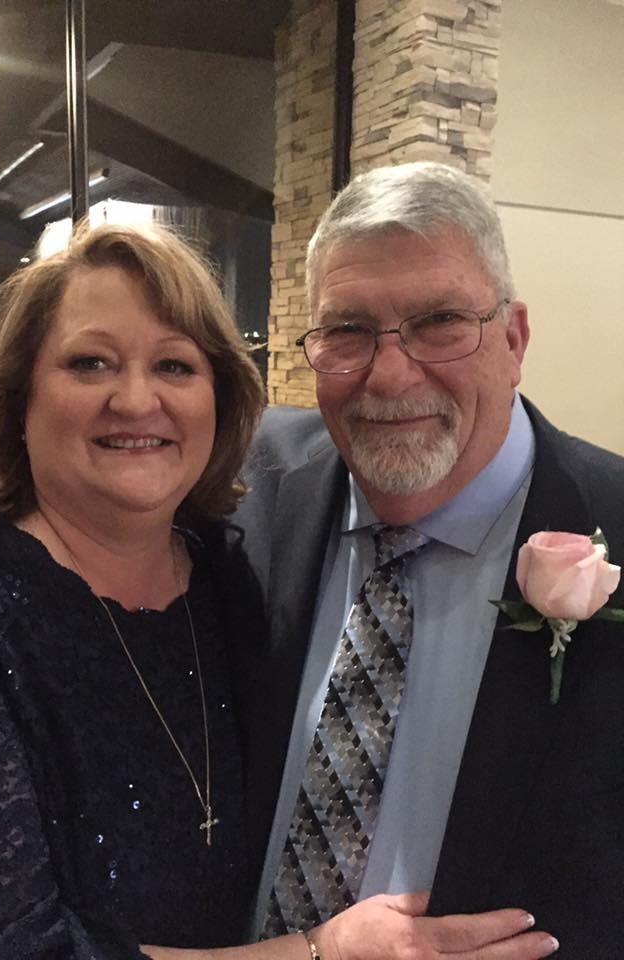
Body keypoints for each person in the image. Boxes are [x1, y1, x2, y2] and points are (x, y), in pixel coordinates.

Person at [0, 221, 552, 960]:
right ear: (20, 398)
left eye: (175, 367)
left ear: (220, 399)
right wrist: (318, 954)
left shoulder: (224, 565)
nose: (136, 399)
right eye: (89, 364)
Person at [235, 162, 624, 959]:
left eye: (439, 320)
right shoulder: (248, 487)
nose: (389, 372)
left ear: (513, 338)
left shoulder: (611, 520)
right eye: (346, 330)